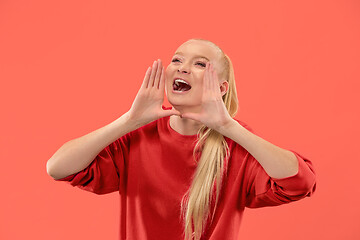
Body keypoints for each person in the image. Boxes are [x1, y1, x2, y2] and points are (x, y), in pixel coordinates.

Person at [46, 38, 316, 240]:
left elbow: (300, 181)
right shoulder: (137, 136)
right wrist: (130, 120)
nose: (182, 68)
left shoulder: (234, 145)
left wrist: (226, 125)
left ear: (222, 89)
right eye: (177, 60)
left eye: (199, 64)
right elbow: (58, 167)